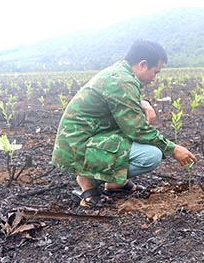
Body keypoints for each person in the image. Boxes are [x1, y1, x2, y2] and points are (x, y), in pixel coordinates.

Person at [52, 39, 196, 207]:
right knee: (151, 156)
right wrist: (173, 149)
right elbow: (138, 130)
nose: (154, 78)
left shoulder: (120, 72)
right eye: (155, 72)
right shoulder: (122, 81)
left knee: (141, 146)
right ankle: (88, 182)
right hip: (78, 146)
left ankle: (115, 184)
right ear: (142, 64)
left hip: (87, 138)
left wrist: (142, 102)